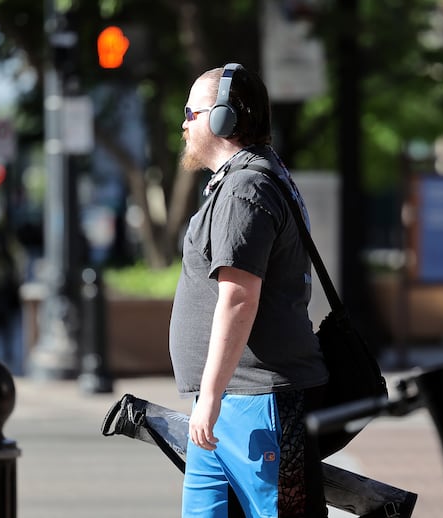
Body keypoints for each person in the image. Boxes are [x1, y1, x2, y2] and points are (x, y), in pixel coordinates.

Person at [169, 62, 330, 518]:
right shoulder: (240, 182)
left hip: (258, 403)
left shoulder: (246, 188)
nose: (183, 123)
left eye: (190, 112)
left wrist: (213, 396)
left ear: (223, 118)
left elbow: (239, 297)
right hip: (227, 405)